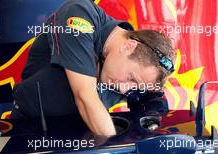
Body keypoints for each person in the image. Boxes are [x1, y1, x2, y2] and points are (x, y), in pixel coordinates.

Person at [11, 0, 175, 137]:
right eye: (131, 78)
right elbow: (85, 97)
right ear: (128, 47)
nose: (125, 90)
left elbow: (154, 103)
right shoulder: (80, 16)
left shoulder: (140, 72)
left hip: (87, 136)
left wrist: (150, 122)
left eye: (135, 86)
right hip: (30, 132)